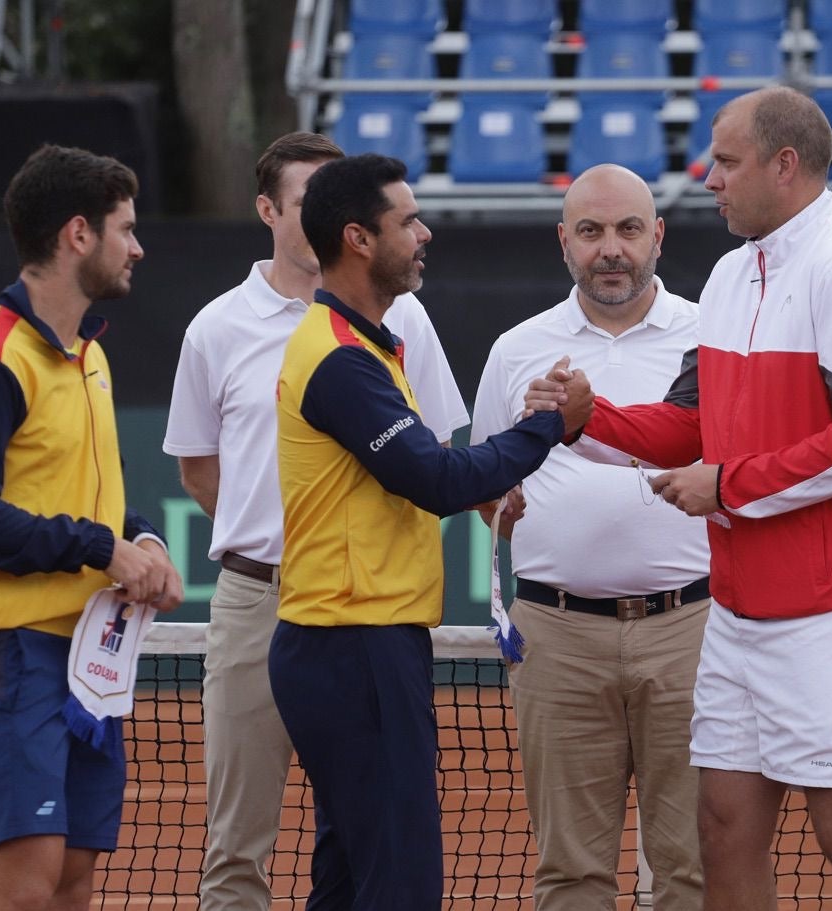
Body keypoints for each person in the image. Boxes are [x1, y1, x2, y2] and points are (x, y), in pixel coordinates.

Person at [526, 87, 832, 911]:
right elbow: (691, 419)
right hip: (743, 611)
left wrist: (729, 486)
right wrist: (586, 418)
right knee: (722, 826)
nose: (707, 178)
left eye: (724, 161)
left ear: (783, 165)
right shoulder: (727, 272)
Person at [161, 132, 468, 911]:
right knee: (237, 847)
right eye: (306, 202)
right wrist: (284, 536)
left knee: (361, 828)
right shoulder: (215, 328)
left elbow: (431, 447)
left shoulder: (407, 318)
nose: (327, 215)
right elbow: (200, 471)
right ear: (268, 210)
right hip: (257, 601)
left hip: (362, 608)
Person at [268, 153, 568, 910]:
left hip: (351, 641)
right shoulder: (340, 359)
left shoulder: (362, 345)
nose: (425, 232)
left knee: (349, 878)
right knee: (399, 884)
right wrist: (546, 427)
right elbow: (431, 479)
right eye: (407, 221)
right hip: (354, 645)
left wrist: (496, 470)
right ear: (359, 239)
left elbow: (426, 467)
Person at [0, 144, 184, 910]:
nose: (137, 247)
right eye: (125, 229)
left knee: (72, 878)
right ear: (78, 234)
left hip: (86, 658)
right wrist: (102, 548)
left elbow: (90, 499)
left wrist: (144, 543)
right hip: (7, 653)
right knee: (28, 887)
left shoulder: (86, 355)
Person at [469, 164, 711, 910]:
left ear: (658, 237)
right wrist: (501, 500)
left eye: (629, 229)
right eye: (592, 231)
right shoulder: (516, 348)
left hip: (693, 630)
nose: (612, 249)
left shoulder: (714, 334)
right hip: (557, 634)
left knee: (694, 866)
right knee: (571, 872)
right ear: (564, 243)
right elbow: (486, 491)